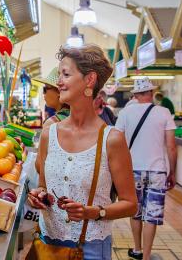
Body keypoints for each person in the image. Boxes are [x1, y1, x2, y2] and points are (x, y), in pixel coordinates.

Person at [27, 44, 137, 259]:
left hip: (91, 249)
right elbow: (43, 186)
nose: (58, 82)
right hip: (46, 247)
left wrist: (94, 212)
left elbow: (130, 204)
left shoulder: (111, 139)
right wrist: (38, 195)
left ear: (89, 80)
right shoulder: (50, 133)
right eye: (59, 74)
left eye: (66, 74)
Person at [115, 77, 177, 260]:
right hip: (157, 170)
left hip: (131, 170)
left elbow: (117, 142)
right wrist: (172, 172)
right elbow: (171, 147)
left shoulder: (125, 114)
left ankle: (137, 249)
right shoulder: (164, 112)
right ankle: (148, 255)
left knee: (135, 210)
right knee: (152, 214)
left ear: (134, 95)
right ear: (150, 93)